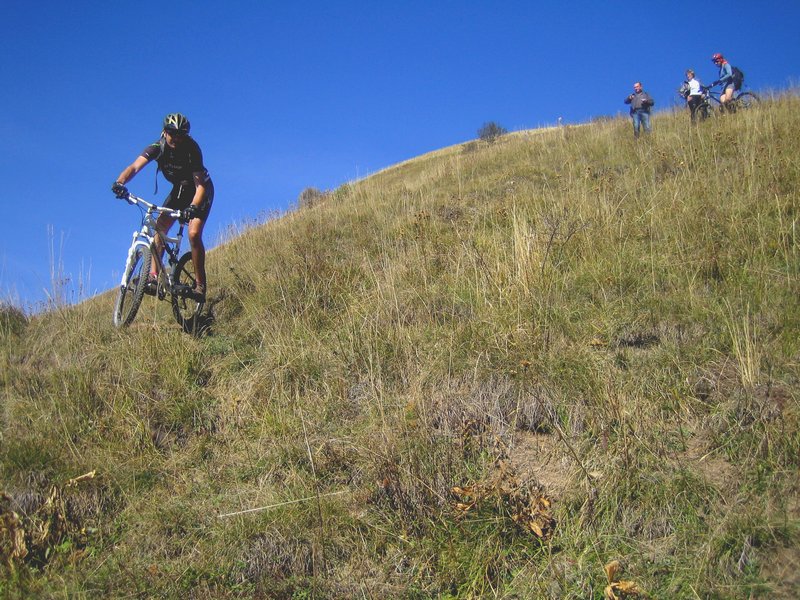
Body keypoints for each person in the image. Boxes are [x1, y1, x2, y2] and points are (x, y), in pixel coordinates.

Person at [112, 113, 214, 301]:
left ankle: (200, 285)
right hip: (180, 191)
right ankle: (152, 276)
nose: (175, 137)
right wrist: (120, 182)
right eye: (171, 133)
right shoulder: (157, 148)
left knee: (193, 234)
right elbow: (135, 167)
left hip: (202, 192)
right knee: (159, 229)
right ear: (164, 132)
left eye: (180, 134)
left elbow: (200, 186)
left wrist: (192, 207)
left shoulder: (192, 149)